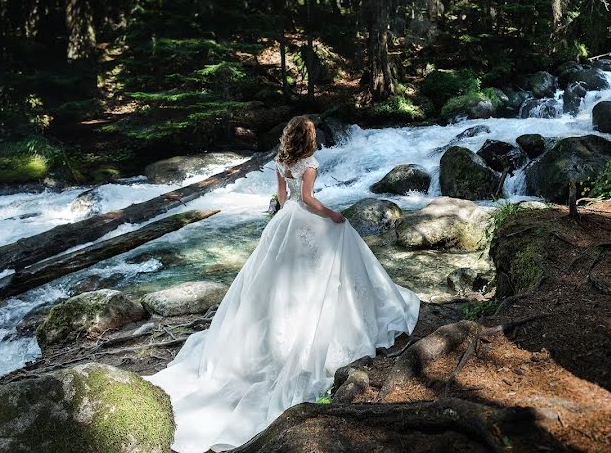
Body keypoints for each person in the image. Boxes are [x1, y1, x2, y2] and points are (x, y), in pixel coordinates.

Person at [144, 116, 420, 453]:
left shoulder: (281, 161)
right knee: (338, 238)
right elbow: (307, 200)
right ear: (309, 138)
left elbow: (282, 198)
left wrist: (277, 222)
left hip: (284, 221)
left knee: (276, 280)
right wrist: (332, 214)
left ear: (290, 137)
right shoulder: (311, 163)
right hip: (303, 218)